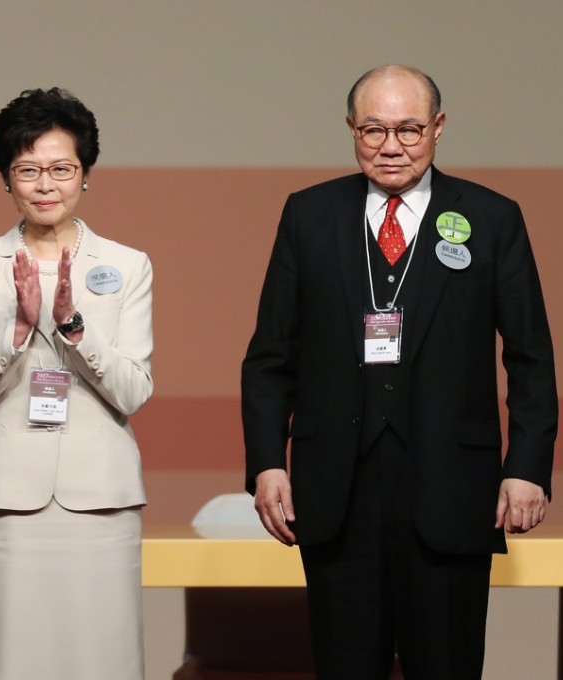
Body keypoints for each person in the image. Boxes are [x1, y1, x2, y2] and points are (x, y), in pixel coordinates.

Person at [242, 64, 556, 679]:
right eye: (374, 130)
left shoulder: (492, 218)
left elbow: (530, 356)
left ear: (439, 128)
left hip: (453, 488)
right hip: (335, 490)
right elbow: (270, 355)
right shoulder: (309, 215)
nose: (391, 146)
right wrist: (266, 460)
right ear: (351, 130)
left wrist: (526, 468)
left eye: (409, 129)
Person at [0, 87, 153, 680]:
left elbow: (134, 391)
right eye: (28, 170)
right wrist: (13, 332)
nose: (45, 184)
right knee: (6, 660)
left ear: (85, 175)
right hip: (5, 499)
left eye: (62, 169)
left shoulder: (127, 263)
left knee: (99, 660)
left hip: (99, 498)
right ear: (6, 179)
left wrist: (72, 327)